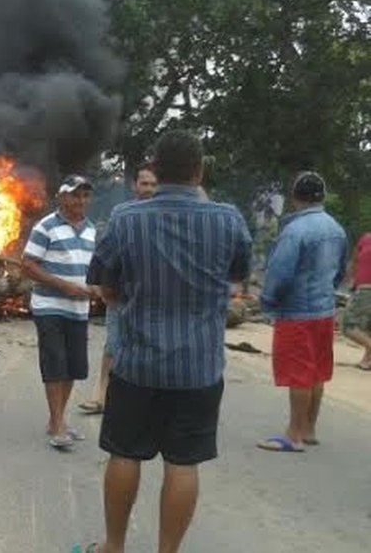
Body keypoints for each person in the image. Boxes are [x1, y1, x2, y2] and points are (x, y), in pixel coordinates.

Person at [78, 130, 252, 553]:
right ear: (200, 171)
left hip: (136, 364)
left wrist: (130, 299)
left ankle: (113, 546)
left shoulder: (125, 219)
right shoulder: (228, 220)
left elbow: (103, 286)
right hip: (198, 369)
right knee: (183, 463)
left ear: (154, 169)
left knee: (124, 454)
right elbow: (236, 277)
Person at [257, 172, 347, 453]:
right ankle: (309, 428)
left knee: (298, 373)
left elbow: (280, 273)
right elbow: (340, 271)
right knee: (317, 370)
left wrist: (268, 301)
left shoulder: (295, 231)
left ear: (295, 197)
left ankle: (292, 435)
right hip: (324, 309)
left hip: (297, 312)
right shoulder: (336, 229)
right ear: (322, 196)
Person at [22, 174, 97, 450]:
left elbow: (91, 269)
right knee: (55, 363)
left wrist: (96, 288)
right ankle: (56, 424)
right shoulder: (46, 227)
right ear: (61, 197)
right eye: (75, 195)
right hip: (49, 306)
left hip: (79, 309)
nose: (81, 200)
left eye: (85, 195)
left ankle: (59, 420)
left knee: (74, 366)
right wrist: (64, 286)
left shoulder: (90, 230)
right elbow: (28, 265)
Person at [80, 164, 157, 415]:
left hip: (152, 299)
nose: (148, 189)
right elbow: (106, 251)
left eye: (154, 184)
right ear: (135, 186)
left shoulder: (165, 215)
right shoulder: (122, 214)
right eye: (144, 183)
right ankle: (101, 396)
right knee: (112, 346)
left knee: (149, 349)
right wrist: (100, 284)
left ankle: (142, 403)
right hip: (121, 295)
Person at [342, 232, 371, 371]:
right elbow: (354, 261)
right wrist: (350, 280)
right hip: (362, 287)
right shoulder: (365, 238)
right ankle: (367, 362)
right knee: (368, 328)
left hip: (366, 290)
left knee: (349, 326)